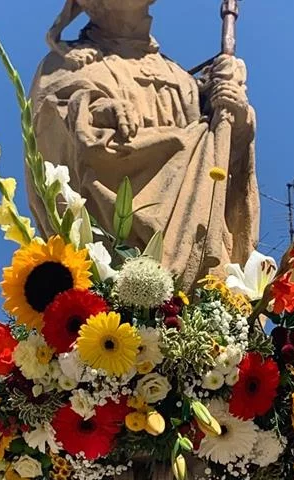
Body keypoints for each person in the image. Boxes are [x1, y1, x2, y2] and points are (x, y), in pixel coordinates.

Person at [28, 0, 260, 289]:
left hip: (193, 241)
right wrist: (92, 111)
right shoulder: (67, 62)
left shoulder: (178, 78)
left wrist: (235, 111)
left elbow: (214, 152)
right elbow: (49, 133)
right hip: (108, 271)